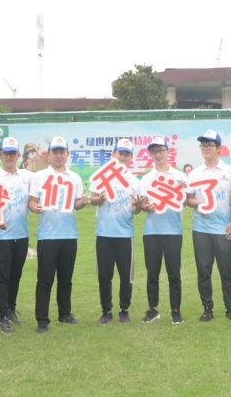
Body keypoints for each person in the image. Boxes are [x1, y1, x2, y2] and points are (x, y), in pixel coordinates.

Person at [29, 136, 89, 333]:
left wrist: (83, 201)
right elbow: (32, 200)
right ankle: (42, 319)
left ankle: (65, 314)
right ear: (49, 154)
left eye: (62, 151)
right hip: (47, 235)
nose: (58, 155)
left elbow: (76, 205)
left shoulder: (74, 177)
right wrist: (34, 207)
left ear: (67, 154)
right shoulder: (40, 176)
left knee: (66, 278)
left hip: (69, 234)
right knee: (45, 280)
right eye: (55, 152)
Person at [185, 130, 231, 322]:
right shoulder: (195, 173)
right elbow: (189, 199)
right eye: (203, 145)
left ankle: (230, 309)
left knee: (227, 271)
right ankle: (207, 309)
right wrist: (199, 204)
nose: (206, 148)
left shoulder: (230, 172)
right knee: (204, 271)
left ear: (219, 148)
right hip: (201, 229)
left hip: (223, 229)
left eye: (210, 145)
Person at [0, 137, 35, 334]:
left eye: (13, 153)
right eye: (5, 153)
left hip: (21, 235)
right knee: (2, 278)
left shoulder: (26, 177)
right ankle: (1, 316)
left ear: (18, 155)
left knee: (15, 276)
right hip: (1, 237)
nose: (9, 157)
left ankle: (11, 310)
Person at [89, 139, 141, 324]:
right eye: (120, 153)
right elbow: (92, 199)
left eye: (126, 154)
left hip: (125, 234)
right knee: (104, 275)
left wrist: (138, 206)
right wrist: (100, 199)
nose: (122, 157)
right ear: (113, 154)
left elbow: (136, 209)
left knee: (126, 275)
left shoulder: (134, 181)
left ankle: (124, 310)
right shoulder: (102, 176)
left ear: (131, 157)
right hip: (104, 233)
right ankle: (106, 311)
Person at [139, 136, 187, 324]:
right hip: (152, 231)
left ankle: (176, 310)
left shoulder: (179, 176)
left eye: (161, 150)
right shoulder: (147, 178)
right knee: (152, 273)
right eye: (154, 151)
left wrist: (183, 189)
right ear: (150, 154)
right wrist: (146, 207)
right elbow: (143, 204)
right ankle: (153, 309)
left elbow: (184, 201)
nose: (158, 154)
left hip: (173, 231)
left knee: (174, 273)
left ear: (168, 152)